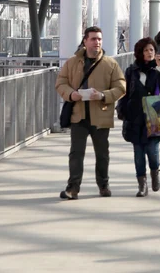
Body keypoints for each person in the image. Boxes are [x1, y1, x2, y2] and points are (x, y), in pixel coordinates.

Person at [55, 26, 126, 200]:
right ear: (85, 41)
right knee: (76, 153)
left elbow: (121, 87)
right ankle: (73, 188)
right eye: (93, 39)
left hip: (100, 115)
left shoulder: (110, 64)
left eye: (99, 39)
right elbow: (61, 82)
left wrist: (102, 95)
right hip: (78, 115)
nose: (97, 42)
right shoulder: (72, 63)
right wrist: (72, 94)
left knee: (102, 153)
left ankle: (104, 184)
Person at [118, 37, 160, 197]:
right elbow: (125, 92)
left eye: (151, 50)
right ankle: (142, 185)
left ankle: (155, 174)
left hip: (154, 116)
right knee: (138, 154)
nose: (149, 53)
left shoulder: (159, 70)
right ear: (140, 53)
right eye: (146, 50)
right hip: (135, 117)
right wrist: (123, 111)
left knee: (152, 151)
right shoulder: (131, 71)